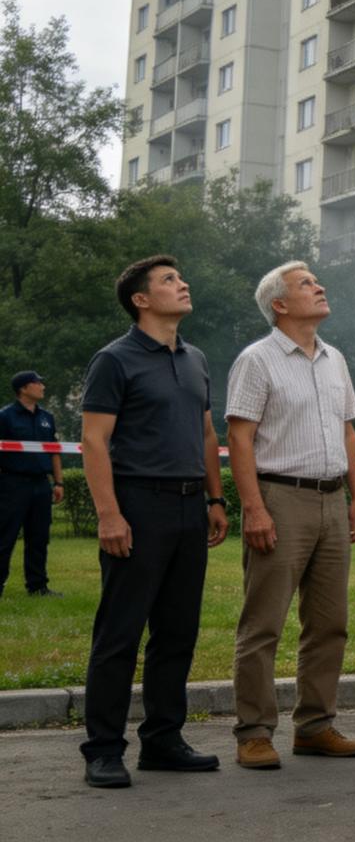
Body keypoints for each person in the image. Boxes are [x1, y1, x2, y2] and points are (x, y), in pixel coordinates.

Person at [79, 255, 229, 789]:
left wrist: (216, 499)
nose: (183, 283)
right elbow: (94, 440)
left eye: (181, 276)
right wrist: (109, 515)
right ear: (141, 300)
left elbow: (208, 435)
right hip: (138, 503)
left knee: (177, 633)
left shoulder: (195, 359)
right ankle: (102, 749)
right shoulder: (114, 360)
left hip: (192, 505)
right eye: (169, 280)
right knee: (119, 633)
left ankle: (163, 740)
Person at [225, 262, 355, 770]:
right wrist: (254, 508)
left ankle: (314, 726)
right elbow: (239, 437)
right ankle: (254, 731)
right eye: (306, 284)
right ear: (279, 306)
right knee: (263, 623)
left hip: (333, 499)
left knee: (330, 623)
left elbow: (349, 432)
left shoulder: (335, 359)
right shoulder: (256, 360)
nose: (320, 286)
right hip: (280, 498)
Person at [0, 370, 64, 598]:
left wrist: (58, 482)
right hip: (12, 484)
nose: (42, 387)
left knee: (39, 537)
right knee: (5, 537)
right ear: (24, 388)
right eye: (38, 383)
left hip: (40, 484)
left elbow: (55, 451)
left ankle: (37, 586)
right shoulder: (5, 416)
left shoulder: (47, 417)